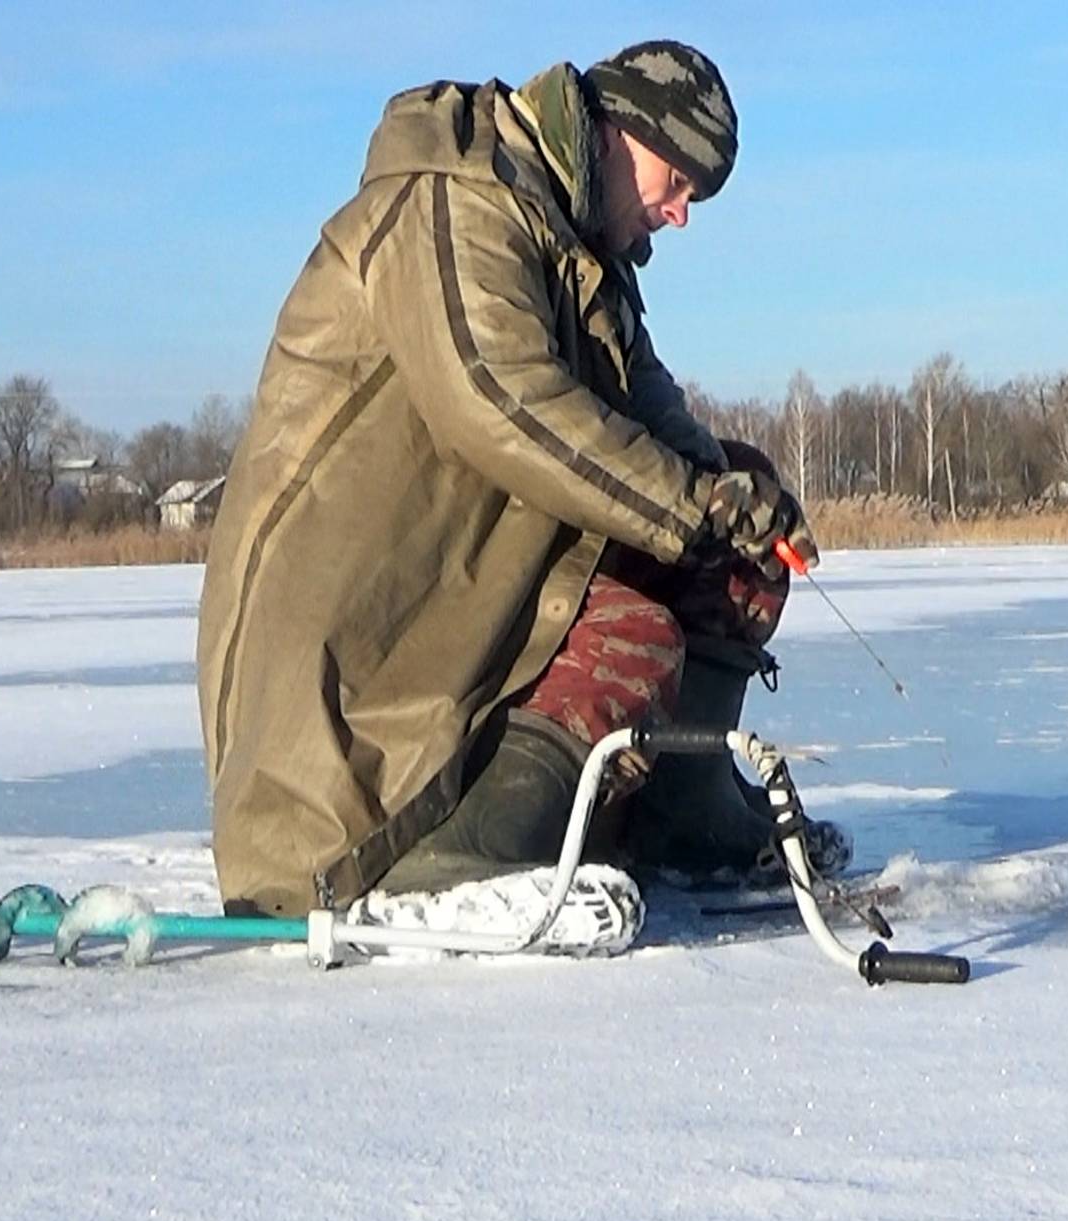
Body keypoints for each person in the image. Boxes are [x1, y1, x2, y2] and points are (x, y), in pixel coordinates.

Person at [197, 41, 846, 928]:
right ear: (620, 130)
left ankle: (680, 815)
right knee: (634, 633)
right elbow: (501, 402)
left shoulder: (582, 250)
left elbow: (648, 409)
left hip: (473, 584)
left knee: (736, 510)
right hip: (365, 653)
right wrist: (692, 506)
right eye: (681, 178)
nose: (682, 212)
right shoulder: (455, 202)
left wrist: (732, 498)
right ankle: (460, 848)